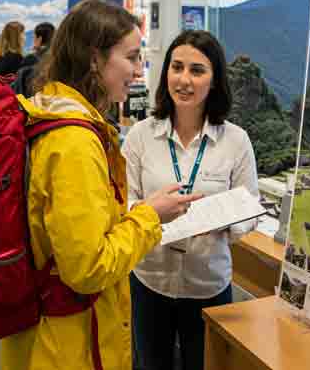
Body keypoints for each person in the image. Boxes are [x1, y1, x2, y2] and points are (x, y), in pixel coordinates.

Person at [1, 0, 201, 370]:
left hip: (48, 329)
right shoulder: (75, 144)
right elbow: (89, 268)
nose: (138, 70)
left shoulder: (47, 111)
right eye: (131, 57)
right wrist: (149, 217)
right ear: (95, 59)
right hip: (72, 342)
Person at [122, 30, 260, 370]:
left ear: (214, 81)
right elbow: (121, 203)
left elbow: (250, 210)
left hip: (208, 283)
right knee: (150, 364)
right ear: (165, 71)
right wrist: (150, 212)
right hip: (149, 278)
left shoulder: (236, 141)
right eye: (177, 67)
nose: (184, 79)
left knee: (205, 364)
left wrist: (224, 223)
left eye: (197, 70)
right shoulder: (141, 136)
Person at [12, 22, 55, 97]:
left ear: (39, 39)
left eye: (34, 37)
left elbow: (20, 87)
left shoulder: (30, 59)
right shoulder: (57, 59)